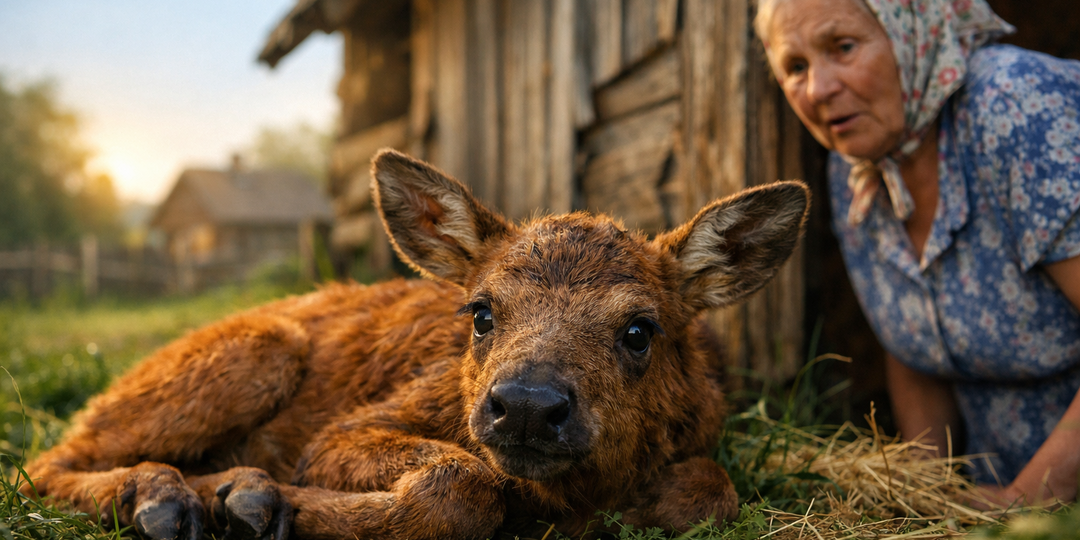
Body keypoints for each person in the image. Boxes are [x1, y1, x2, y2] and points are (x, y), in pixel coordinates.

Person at [754, 0, 1080, 506]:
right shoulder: (855, 169)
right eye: (795, 67)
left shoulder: (1016, 108)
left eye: (843, 47)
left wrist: (1022, 502)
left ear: (912, 29)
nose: (818, 90)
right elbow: (911, 344)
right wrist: (925, 497)